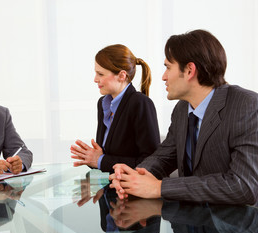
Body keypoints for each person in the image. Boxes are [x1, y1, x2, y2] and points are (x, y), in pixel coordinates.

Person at [109, 29, 258, 205]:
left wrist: (159, 187)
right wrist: (133, 176)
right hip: (190, 223)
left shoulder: (246, 106)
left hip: (235, 227)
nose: (163, 77)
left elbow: (244, 186)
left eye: (168, 67)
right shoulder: (181, 109)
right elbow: (164, 156)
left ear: (189, 70)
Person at [70, 44, 160, 173]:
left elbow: (151, 163)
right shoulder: (103, 103)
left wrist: (100, 160)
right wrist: (91, 158)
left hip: (133, 189)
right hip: (112, 184)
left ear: (122, 76)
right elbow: (106, 156)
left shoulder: (140, 103)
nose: (95, 79)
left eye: (100, 74)